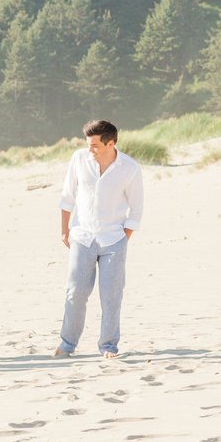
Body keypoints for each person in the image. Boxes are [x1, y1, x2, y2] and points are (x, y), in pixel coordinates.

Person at [54, 119, 144, 359]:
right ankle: (67, 344)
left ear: (110, 143)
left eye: (95, 145)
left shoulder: (129, 167)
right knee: (75, 292)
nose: (90, 150)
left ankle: (108, 346)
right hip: (82, 237)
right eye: (88, 145)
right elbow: (67, 196)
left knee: (111, 296)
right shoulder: (79, 159)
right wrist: (65, 230)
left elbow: (136, 210)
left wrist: (122, 238)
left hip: (113, 240)